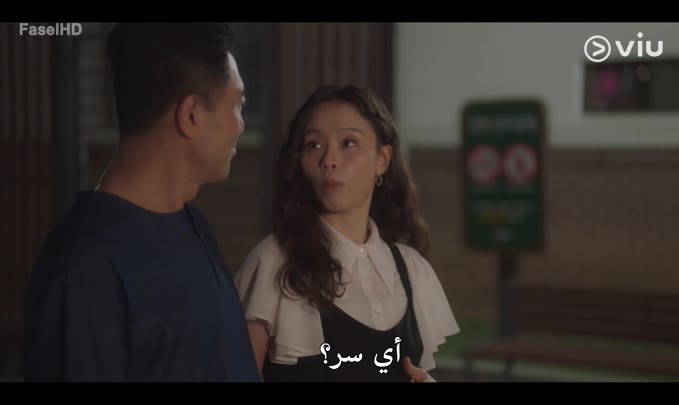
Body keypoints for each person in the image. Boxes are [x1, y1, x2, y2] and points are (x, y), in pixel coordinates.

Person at [23, 23, 259, 382]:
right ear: (191, 114)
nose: (239, 125)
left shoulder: (194, 225)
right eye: (237, 105)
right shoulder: (84, 268)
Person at [234, 85, 460, 382]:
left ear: (383, 159)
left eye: (348, 143)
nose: (329, 159)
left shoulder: (413, 270)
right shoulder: (273, 263)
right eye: (314, 145)